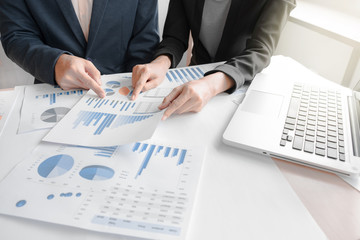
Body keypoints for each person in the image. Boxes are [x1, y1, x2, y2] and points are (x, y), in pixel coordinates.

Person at [131, 0, 296, 120]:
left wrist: (210, 85)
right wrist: (161, 63)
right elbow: (174, 37)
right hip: (195, 78)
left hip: (240, 81)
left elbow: (260, 51)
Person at [0, 0, 159, 98]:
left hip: (125, 93)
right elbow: (16, 35)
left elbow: (145, 38)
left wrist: (136, 89)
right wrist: (55, 63)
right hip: (52, 91)